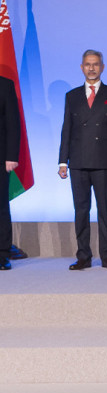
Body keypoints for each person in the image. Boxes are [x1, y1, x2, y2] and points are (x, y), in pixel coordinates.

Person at [57, 49, 107, 270]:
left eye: (95, 64)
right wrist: (62, 161)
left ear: (102, 67)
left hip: (104, 161)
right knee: (81, 210)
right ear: (82, 67)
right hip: (78, 161)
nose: (92, 68)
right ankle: (83, 257)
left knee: (105, 210)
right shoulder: (72, 96)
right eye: (88, 64)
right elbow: (66, 130)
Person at [0, 74, 20, 270]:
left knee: (0, 207)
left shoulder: (5, 85)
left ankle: (2, 254)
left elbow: (13, 122)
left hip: (0, 158)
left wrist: (11, 156)